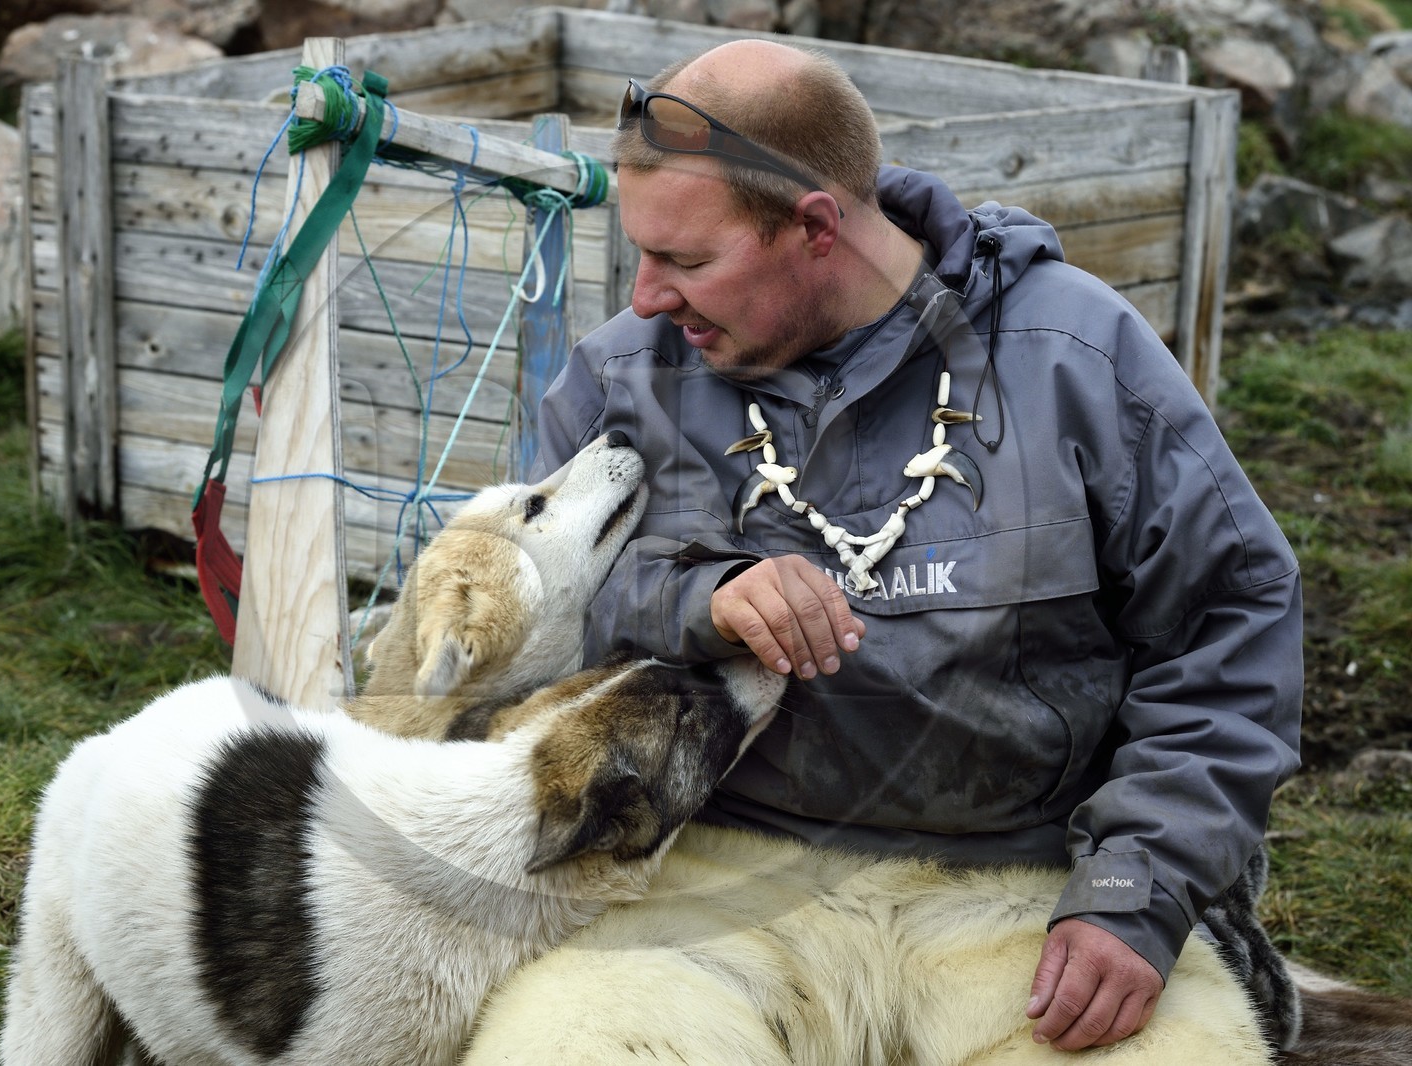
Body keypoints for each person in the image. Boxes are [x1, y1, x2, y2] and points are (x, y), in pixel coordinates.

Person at [528, 38, 1303, 1052]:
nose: (643, 297)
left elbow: (1227, 628)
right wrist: (697, 602)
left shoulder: (1075, 355)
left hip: (1018, 894)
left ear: (813, 228)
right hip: (707, 883)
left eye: (683, 258)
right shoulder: (620, 380)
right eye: (639, 253)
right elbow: (537, 618)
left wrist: (1133, 890)